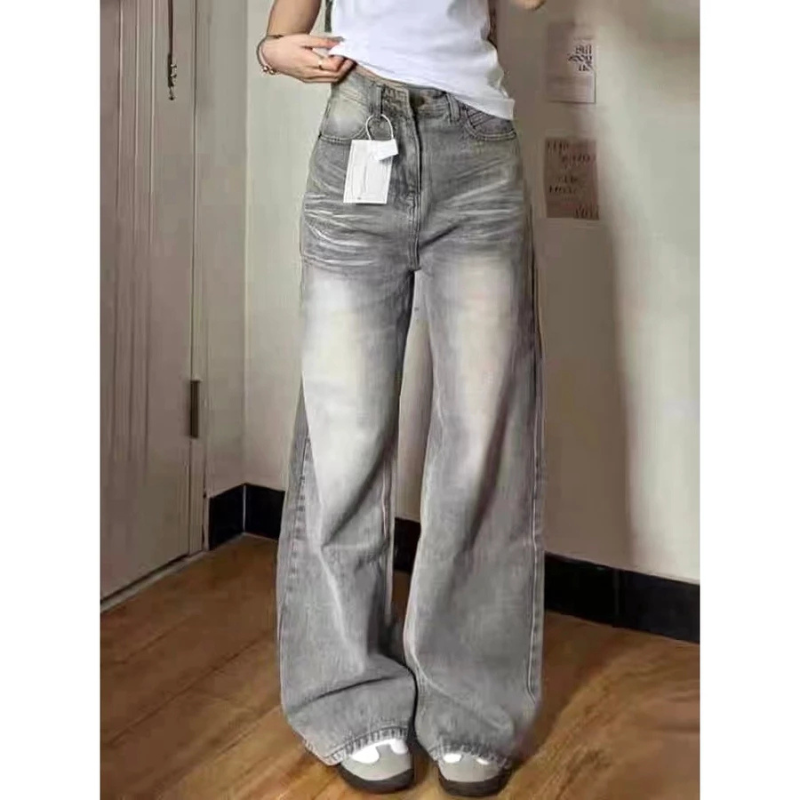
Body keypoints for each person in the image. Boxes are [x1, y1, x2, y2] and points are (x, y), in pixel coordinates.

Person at [257, 0, 546, 795]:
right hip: (361, 124)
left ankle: (470, 705)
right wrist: (275, 52)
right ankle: (349, 698)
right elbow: (282, 32)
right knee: (343, 439)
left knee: (484, 442)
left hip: (476, 147)